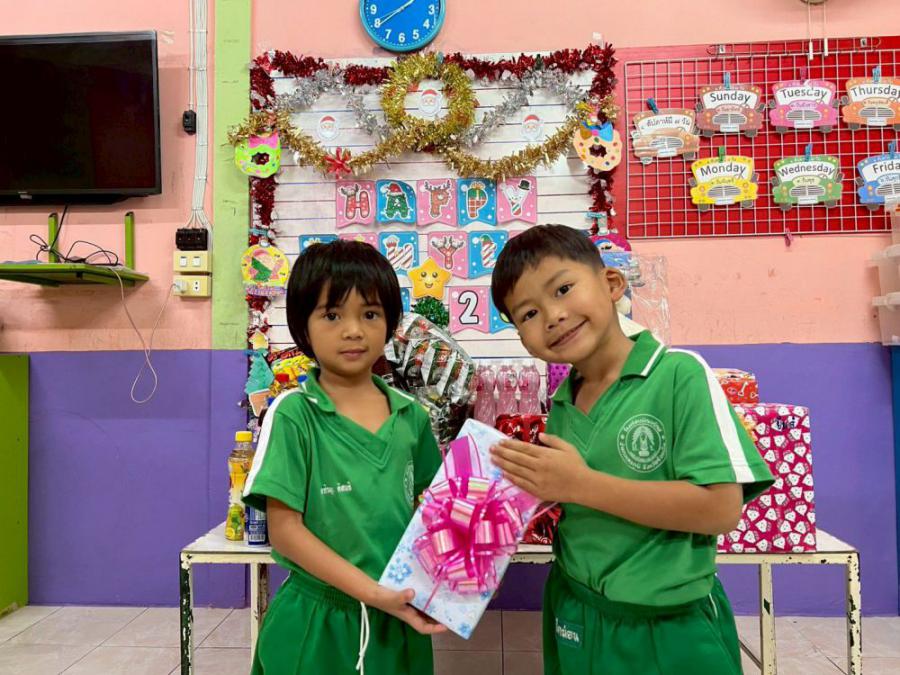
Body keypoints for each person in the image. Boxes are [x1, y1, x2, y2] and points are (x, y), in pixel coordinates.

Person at [489, 224, 773, 675]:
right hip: (575, 611)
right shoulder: (562, 403)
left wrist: (580, 485)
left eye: (563, 289)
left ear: (611, 284)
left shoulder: (679, 375)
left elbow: (720, 509)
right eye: (528, 313)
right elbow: (577, 506)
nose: (553, 316)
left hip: (667, 628)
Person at [244, 240, 445, 674]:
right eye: (332, 315)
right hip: (317, 620)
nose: (353, 330)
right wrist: (372, 593)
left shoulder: (411, 417)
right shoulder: (295, 414)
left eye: (370, 314)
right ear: (303, 325)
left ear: (390, 322)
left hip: (397, 620)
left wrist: (461, 574)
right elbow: (285, 532)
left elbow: (431, 512)